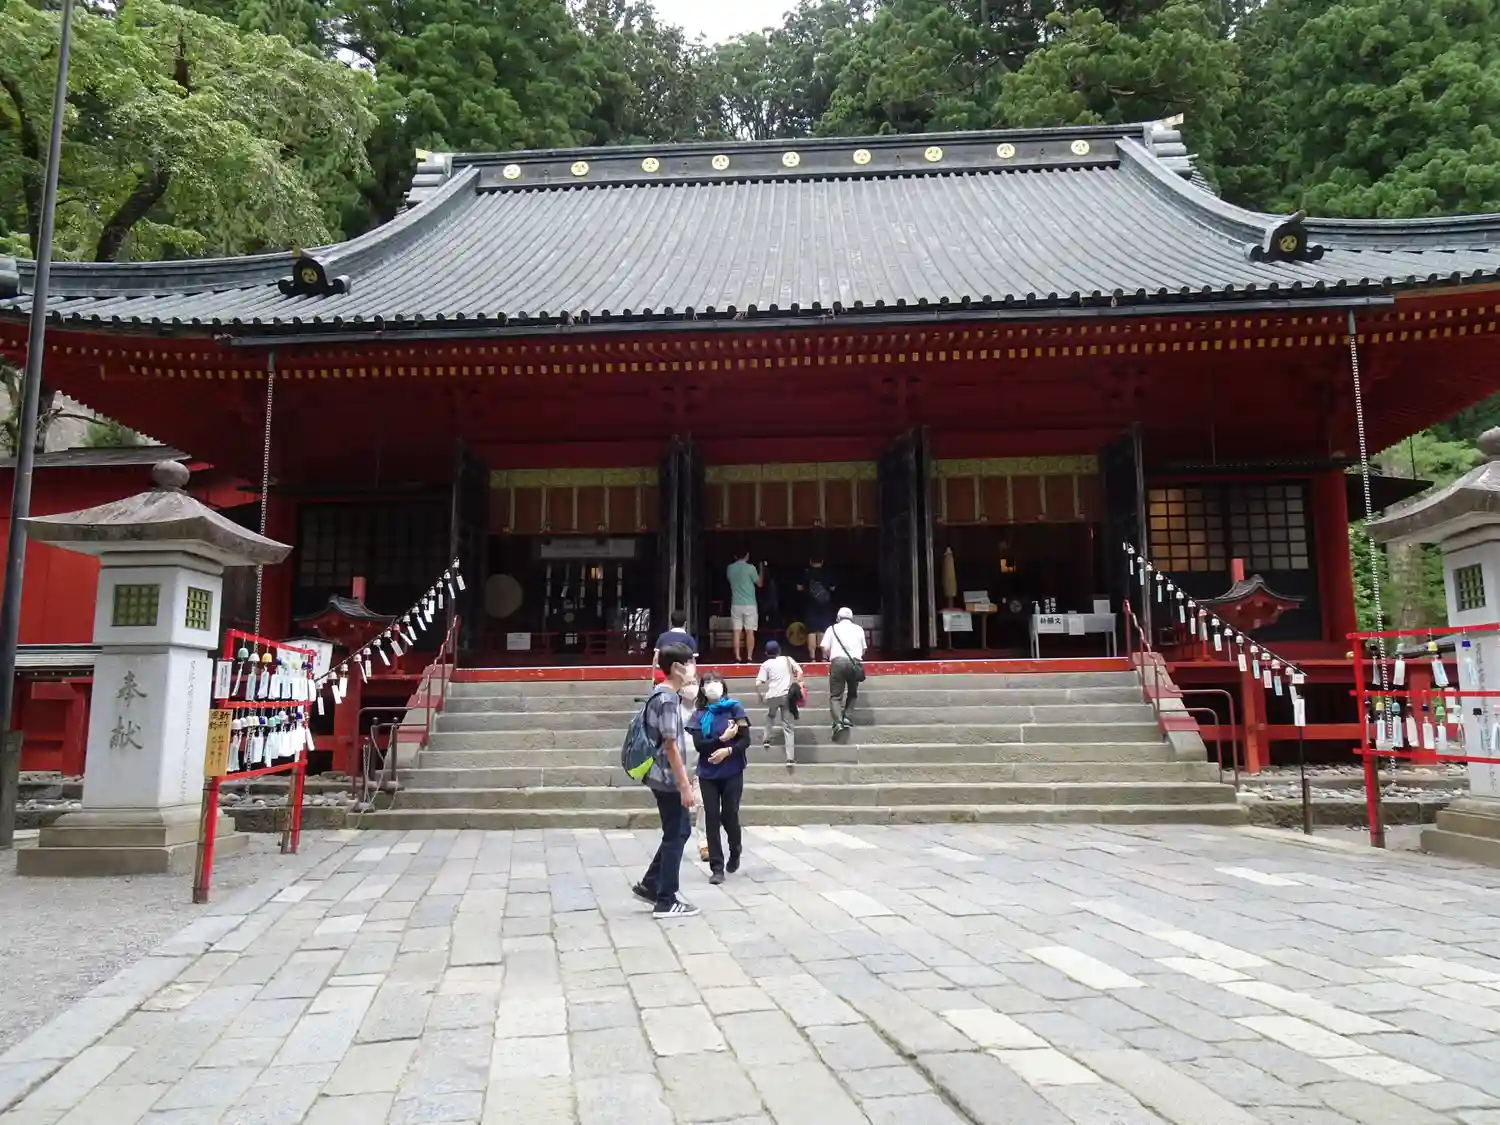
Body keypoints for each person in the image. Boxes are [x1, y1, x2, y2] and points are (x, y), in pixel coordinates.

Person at [630, 643, 700, 918]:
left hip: (660, 775)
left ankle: (651, 884)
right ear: (677, 667)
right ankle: (666, 899)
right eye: (690, 662)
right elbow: (670, 745)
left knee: (678, 831)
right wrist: (685, 786)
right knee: (676, 834)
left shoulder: (660, 693)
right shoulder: (668, 699)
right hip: (668, 777)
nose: (693, 668)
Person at [690, 671, 749, 884]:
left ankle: (735, 849)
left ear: (723, 685)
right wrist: (722, 740)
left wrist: (728, 750)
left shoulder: (735, 709)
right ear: (702, 688)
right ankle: (717, 867)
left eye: (716, 681)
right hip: (708, 773)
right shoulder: (698, 715)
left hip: (732, 770)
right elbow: (700, 745)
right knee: (711, 817)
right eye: (707, 682)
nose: (712, 685)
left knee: (729, 814)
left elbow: (745, 740)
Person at [756, 639, 804, 767]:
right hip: (787, 696)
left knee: (770, 715)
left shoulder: (765, 664)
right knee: (788, 727)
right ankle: (790, 758)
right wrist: (798, 683)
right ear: (779, 650)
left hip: (772, 696)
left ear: (766, 653)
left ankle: (766, 738)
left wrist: (760, 696)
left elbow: (758, 683)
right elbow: (800, 672)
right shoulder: (787, 659)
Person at [679, 676, 711, 864]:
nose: (690, 687)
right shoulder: (673, 710)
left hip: (701, 764)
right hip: (679, 766)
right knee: (679, 807)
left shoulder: (704, 711)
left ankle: (703, 843)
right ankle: (676, 841)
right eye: (686, 683)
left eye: (693, 683)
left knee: (702, 803)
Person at [821, 607, 867, 736]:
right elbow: (863, 649)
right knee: (852, 693)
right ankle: (847, 717)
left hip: (837, 663)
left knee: (836, 696)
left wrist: (832, 656)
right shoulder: (859, 629)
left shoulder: (832, 629)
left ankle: (838, 722)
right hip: (854, 663)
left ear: (838, 617)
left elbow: (824, 647)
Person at [726, 551, 764, 662]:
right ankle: (749, 656)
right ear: (747, 555)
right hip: (750, 604)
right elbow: (760, 583)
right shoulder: (751, 568)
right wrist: (761, 569)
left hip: (735, 603)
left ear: (735, 556)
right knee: (750, 631)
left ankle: (737, 656)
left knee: (736, 632)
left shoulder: (730, 568)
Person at [797, 554, 835, 661]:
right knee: (822, 631)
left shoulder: (806, 573)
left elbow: (799, 588)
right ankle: (823, 657)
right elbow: (833, 588)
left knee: (811, 631)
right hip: (824, 607)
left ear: (810, 562)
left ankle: (812, 657)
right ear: (822, 562)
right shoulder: (827, 574)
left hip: (810, 607)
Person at [651, 609, 698, 685]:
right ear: (685, 623)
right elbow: (692, 661)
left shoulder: (662, 637)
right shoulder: (689, 639)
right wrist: (692, 677)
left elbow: (656, 658)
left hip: (662, 675)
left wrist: (653, 676)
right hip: (681, 676)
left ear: (671, 623)